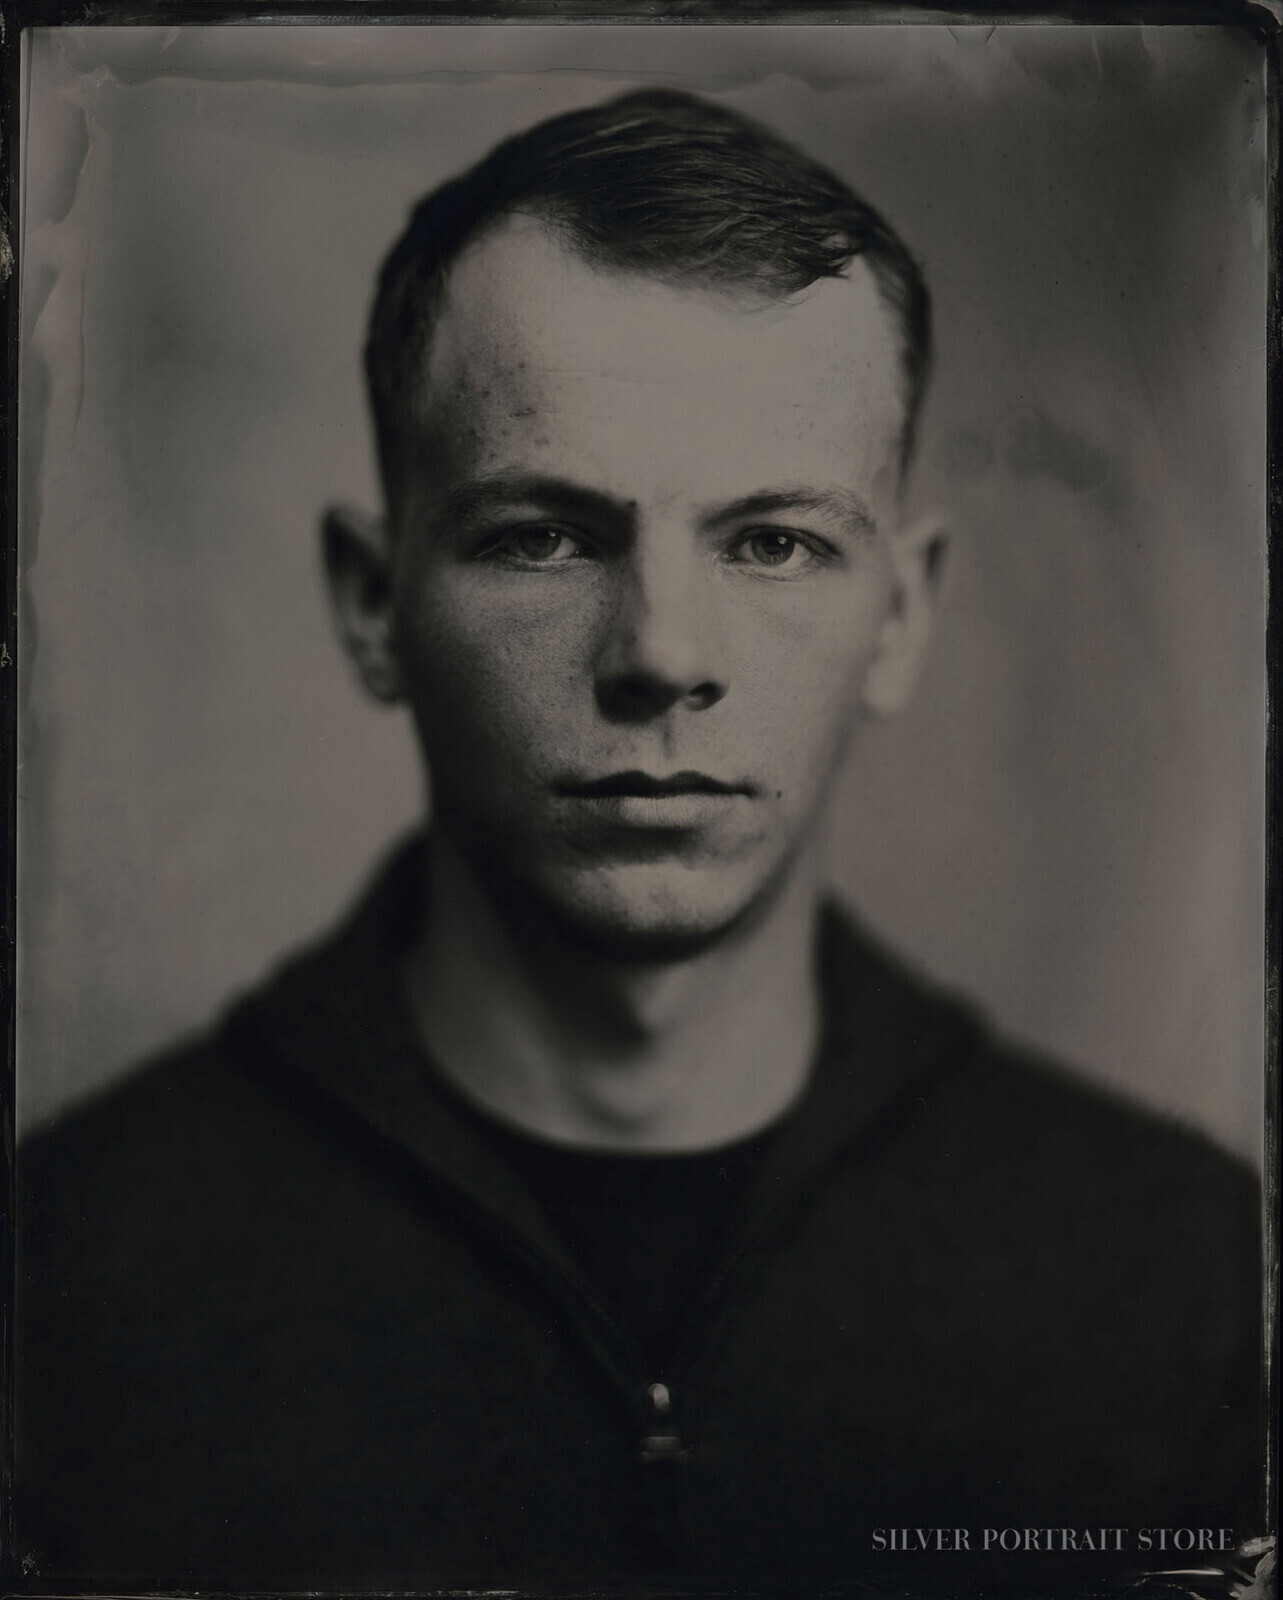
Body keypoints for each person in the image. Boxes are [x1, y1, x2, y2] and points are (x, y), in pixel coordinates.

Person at [14, 89, 1262, 1595]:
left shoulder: (1187, 1285)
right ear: (371, 600)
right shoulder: (60, 1281)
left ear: (903, 614)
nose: (662, 655)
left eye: (774, 541)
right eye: (543, 535)